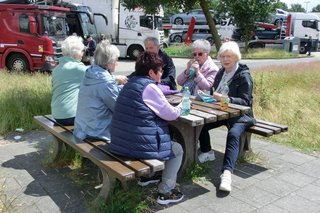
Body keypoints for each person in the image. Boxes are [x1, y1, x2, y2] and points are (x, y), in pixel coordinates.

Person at [109, 52, 184, 205]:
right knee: (177, 149)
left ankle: (148, 177)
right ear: (151, 72)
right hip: (135, 146)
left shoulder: (130, 83)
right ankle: (166, 191)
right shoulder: (149, 88)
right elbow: (171, 114)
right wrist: (183, 105)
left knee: (152, 137)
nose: (162, 73)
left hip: (120, 142)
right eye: (160, 70)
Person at [198, 41, 255, 192]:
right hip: (222, 113)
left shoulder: (244, 76)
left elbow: (245, 101)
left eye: (228, 56)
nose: (225, 59)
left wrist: (224, 99)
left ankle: (227, 174)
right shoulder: (221, 72)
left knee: (233, 134)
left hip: (242, 116)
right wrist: (207, 96)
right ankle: (208, 151)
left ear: (236, 57)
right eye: (222, 56)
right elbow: (215, 92)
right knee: (200, 124)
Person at [73, 40, 122, 141]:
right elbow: (117, 108)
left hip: (82, 128)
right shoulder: (106, 81)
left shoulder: (90, 72)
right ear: (109, 62)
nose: (117, 63)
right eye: (116, 60)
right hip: (97, 132)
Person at [51, 35, 87, 126]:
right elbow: (98, 78)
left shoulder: (56, 69)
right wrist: (117, 79)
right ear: (75, 53)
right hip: (71, 115)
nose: (82, 53)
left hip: (56, 114)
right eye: (81, 51)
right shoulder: (77, 68)